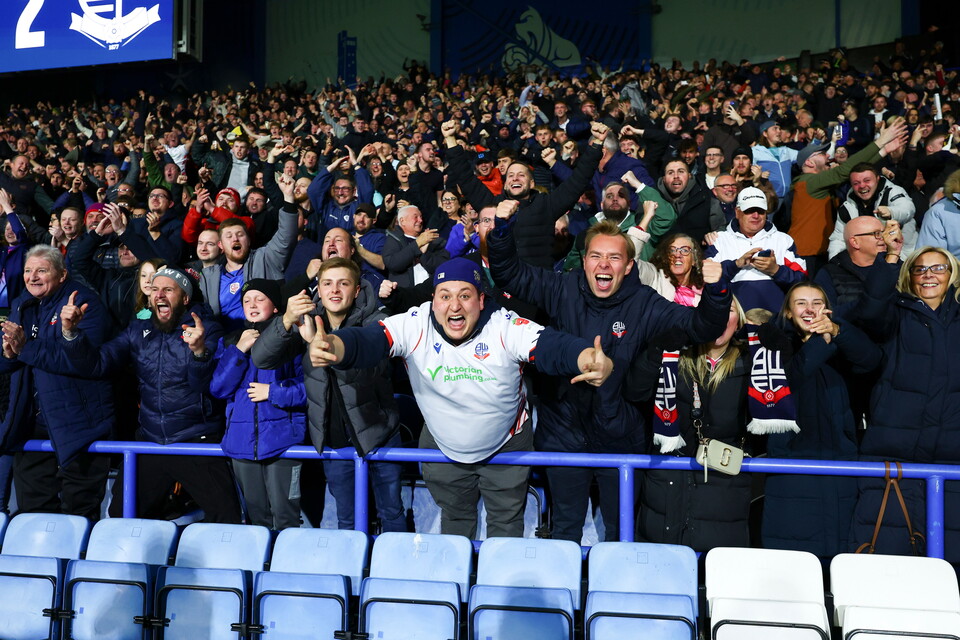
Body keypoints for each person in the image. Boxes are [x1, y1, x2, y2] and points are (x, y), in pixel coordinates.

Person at [305, 257, 615, 539]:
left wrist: (587, 357)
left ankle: (496, 597)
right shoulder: (415, 323)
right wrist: (335, 345)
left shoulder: (503, 325)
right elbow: (370, 340)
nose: (455, 305)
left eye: (465, 295)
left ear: (481, 300)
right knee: (454, 526)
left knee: (505, 529)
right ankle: (458, 593)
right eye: (445, 296)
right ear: (434, 301)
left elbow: (552, 346)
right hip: (443, 446)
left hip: (505, 445)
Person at [487, 212, 732, 543]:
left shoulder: (645, 303)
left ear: (629, 266)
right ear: (585, 261)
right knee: (565, 530)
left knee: (620, 533)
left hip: (622, 440)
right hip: (563, 436)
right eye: (596, 256)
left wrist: (716, 293)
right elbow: (509, 274)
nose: (604, 265)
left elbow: (702, 326)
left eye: (614, 257)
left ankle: (616, 593)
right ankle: (566, 594)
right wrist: (501, 231)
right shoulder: (563, 287)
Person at [43, 266, 242, 522]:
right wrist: (71, 334)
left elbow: (206, 386)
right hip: (149, 441)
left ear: (184, 298)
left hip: (195, 439)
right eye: (154, 289)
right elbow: (98, 364)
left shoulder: (208, 330)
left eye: (168, 289)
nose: (159, 295)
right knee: (120, 518)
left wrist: (199, 352)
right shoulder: (138, 329)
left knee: (227, 520)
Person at [252, 258, 406, 533]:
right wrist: (286, 319)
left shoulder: (378, 321)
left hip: (380, 436)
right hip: (334, 443)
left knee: (391, 513)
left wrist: (321, 345)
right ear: (318, 291)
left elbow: (376, 369)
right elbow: (262, 358)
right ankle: (352, 574)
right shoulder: (306, 321)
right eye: (327, 284)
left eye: (343, 283)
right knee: (347, 521)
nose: (335, 290)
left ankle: (397, 574)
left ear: (357, 290)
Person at [851, 246, 960, 562]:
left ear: (952, 275)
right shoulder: (895, 311)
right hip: (895, 453)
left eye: (938, 268)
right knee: (890, 555)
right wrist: (890, 260)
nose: (928, 275)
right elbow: (869, 311)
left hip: (951, 455)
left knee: (950, 560)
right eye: (920, 269)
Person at [759, 282, 880, 558]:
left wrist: (838, 331)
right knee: (793, 553)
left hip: (841, 459)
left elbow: (871, 360)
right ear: (789, 312)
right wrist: (821, 340)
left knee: (843, 554)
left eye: (817, 302)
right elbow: (791, 380)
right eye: (801, 303)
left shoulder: (841, 340)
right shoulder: (772, 343)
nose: (810, 309)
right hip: (791, 461)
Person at [0, 245, 113, 520]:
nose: (32, 277)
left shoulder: (84, 303)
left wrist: (25, 348)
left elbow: (81, 362)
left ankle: (77, 564)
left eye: (41, 270)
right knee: (32, 515)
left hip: (78, 426)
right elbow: (9, 361)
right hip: (32, 426)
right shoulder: (21, 303)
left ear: (62, 275)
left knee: (79, 516)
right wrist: (8, 353)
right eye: (28, 270)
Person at [634, 298, 753, 551]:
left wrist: (783, 351)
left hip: (722, 483)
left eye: (728, 311)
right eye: (713, 311)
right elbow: (635, 392)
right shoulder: (673, 356)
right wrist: (655, 350)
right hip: (668, 480)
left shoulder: (755, 364)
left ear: (740, 321)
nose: (720, 317)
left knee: (715, 577)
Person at [210, 279, 306, 530]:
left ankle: (287, 568)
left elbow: (310, 389)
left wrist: (273, 392)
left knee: (286, 519)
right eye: (246, 300)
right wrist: (239, 350)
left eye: (259, 299)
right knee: (256, 520)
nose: (252, 305)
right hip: (241, 444)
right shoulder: (231, 341)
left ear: (276, 307)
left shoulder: (293, 340)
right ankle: (261, 568)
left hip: (282, 443)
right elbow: (219, 388)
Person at [198, 174, 299, 330]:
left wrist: (289, 198)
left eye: (240, 235)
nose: (235, 239)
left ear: (249, 240)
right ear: (221, 245)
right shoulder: (208, 276)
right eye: (229, 236)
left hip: (261, 337)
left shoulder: (265, 259)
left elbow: (286, 237)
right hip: (223, 341)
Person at [705, 187, 807, 313]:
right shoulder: (719, 240)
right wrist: (736, 265)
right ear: (737, 212)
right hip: (734, 322)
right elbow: (707, 281)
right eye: (749, 210)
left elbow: (802, 281)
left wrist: (776, 270)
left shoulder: (784, 240)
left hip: (775, 321)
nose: (756, 216)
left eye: (760, 211)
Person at [827, 163, 917, 259]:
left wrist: (891, 212)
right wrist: (835, 261)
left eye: (867, 181)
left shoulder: (893, 191)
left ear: (877, 179)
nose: (862, 186)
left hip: (902, 255)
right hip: (867, 260)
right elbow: (839, 238)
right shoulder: (847, 208)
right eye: (856, 183)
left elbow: (908, 209)